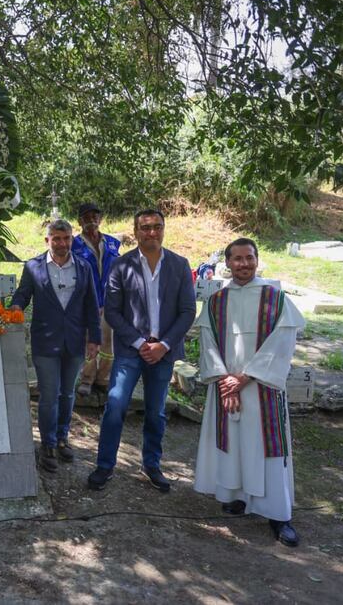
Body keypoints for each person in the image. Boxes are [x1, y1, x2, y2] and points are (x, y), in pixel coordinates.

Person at [194, 238, 305, 547]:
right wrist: (224, 381)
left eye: (249, 258)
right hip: (226, 387)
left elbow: (281, 344)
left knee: (266, 448)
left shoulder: (276, 299)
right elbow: (207, 344)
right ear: (227, 263)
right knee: (235, 441)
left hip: (261, 388)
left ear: (257, 259)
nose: (244, 264)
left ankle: (278, 515)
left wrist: (244, 378)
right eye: (237, 259)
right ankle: (238, 495)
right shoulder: (217, 301)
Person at [88, 209, 196, 493]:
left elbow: (187, 311)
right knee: (115, 407)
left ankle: (151, 465)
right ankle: (105, 465)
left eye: (157, 227)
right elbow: (112, 312)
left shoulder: (180, 265)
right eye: (145, 228)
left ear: (164, 229)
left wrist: (163, 345)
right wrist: (139, 343)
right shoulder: (121, 266)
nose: (151, 232)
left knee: (156, 412)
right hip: (130, 351)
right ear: (135, 232)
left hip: (164, 352)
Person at [11, 219, 101, 472]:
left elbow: (91, 305)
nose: (62, 244)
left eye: (66, 238)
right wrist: (15, 307)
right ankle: (48, 444)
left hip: (74, 340)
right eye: (57, 239)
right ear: (47, 240)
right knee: (49, 395)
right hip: (45, 340)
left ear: (72, 239)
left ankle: (62, 438)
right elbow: (23, 293)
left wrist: (94, 338)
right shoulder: (33, 267)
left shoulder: (83, 267)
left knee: (67, 394)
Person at [71, 202, 121, 396]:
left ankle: (103, 378)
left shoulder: (112, 243)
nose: (91, 220)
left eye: (95, 216)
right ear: (79, 221)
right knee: (88, 339)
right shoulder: (74, 244)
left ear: (100, 219)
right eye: (86, 217)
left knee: (109, 341)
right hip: (85, 301)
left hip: (109, 300)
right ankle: (87, 378)